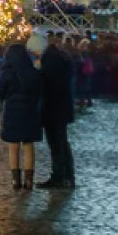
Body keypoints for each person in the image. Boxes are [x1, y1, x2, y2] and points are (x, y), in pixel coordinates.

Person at [0, 40, 43, 190]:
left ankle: (15, 181)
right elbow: (39, 91)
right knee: (29, 145)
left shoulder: (6, 73)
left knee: (13, 145)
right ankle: (29, 180)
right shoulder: (33, 72)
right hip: (30, 111)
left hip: (12, 111)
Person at [36, 34, 76, 189]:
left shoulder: (51, 61)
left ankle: (61, 176)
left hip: (53, 108)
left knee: (57, 144)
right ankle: (66, 175)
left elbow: (47, 84)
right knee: (61, 143)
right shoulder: (59, 58)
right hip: (61, 107)